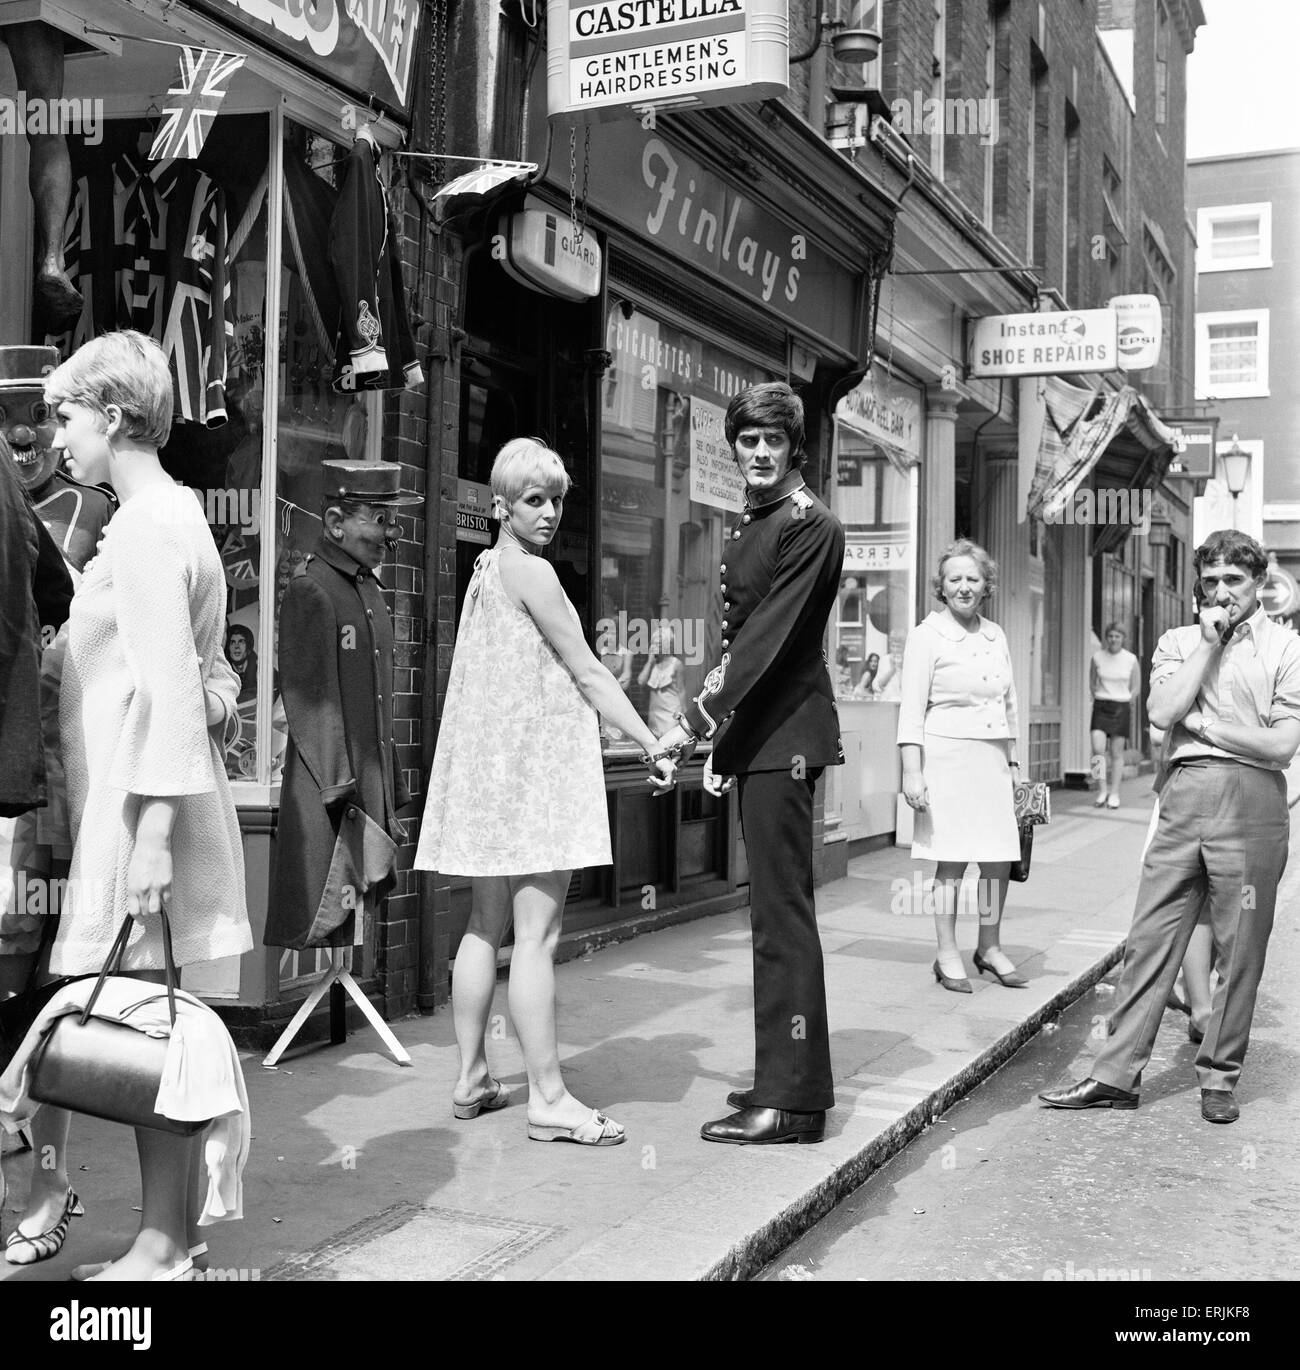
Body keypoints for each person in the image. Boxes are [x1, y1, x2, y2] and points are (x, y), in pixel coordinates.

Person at [5, 331, 251, 1279]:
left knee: (149, 1034)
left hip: (134, 818)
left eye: (66, 417)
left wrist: (149, 838)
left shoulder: (148, 528)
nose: (57, 438)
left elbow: (173, 692)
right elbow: (211, 677)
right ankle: (167, 1236)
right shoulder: (171, 516)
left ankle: (159, 1246)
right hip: (140, 806)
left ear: (113, 415)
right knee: (153, 1029)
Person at [415, 438, 675, 1146]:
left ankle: (471, 1078)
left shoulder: (485, 568)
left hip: (490, 774)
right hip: (532, 776)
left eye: (557, 499)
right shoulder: (532, 573)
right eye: (535, 500)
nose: (551, 513)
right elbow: (589, 673)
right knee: (538, 935)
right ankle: (549, 1098)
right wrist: (652, 741)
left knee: (483, 924)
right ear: (500, 506)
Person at [1041, 530, 1300, 1125]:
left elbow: (1282, 744)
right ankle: (1114, 1075)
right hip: (1183, 797)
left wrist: (1205, 728)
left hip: (1253, 800)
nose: (1222, 593)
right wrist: (1208, 649)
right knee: (1150, 936)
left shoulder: (1284, 649)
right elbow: (1160, 714)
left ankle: (1219, 1076)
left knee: (1240, 947)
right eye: (1210, 582)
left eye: (1234, 581)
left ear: (1257, 583)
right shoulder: (1179, 642)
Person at [653, 382, 845, 1146]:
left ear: (795, 447)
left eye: (772, 441)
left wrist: (699, 726)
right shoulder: (761, 519)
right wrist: (725, 746)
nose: (759, 453)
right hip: (763, 740)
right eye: (747, 441)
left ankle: (795, 1103)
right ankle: (779, 1079)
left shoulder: (812, 524)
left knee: (784, 920)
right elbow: (743, 649)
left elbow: (767, 641)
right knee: (770, 916)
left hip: (788, 741)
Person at [264, 461, 417, 952]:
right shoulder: (313, 589)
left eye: (391, 518)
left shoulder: (368, 588)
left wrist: (388, 780)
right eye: (378, 517)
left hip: (363, 785)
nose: (390, 532)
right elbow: (309, 703)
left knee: (357, 917)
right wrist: (339, 785)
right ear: (335, 524)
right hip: (331, 793)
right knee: (326, 910)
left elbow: (376, 696)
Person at [897, 540, 1025, 993]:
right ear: (942, 586)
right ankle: (946, 952)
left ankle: (988, 947)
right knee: (950, 864)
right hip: (946, 759)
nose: (964, 587)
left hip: (992, 761)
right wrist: (912, 772)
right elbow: (911, 712)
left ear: (985, 584)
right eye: (955, 579)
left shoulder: (996, 635)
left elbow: (1009, 704)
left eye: (973, 578)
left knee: (995, 862)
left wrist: (1013, 762)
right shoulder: (926, 635)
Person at [1089, 622, 1139, 809]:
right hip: (1101, 705)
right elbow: (1092, 682)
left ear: (1123, 638)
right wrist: (1101, 696)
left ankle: (1115, 793)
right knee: (1097, 749)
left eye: (1117, 636)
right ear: (1106, 637)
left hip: (1121, 706)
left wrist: (1125, 700)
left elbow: (1136, 686)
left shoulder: (1131, 659)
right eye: (1110, 635)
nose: (1113, 639)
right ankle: (1101, 790)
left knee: (1117, 753)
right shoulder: (1097, 657)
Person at [638, 621, 685, 735]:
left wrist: (682, 711)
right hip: (655, 714)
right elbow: (640, 681)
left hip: (671, 713)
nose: (654, 647)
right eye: (653, 644)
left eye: (658, 644)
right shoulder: (653, 664)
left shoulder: (676, 664)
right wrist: (649, 662)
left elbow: (681, 690)